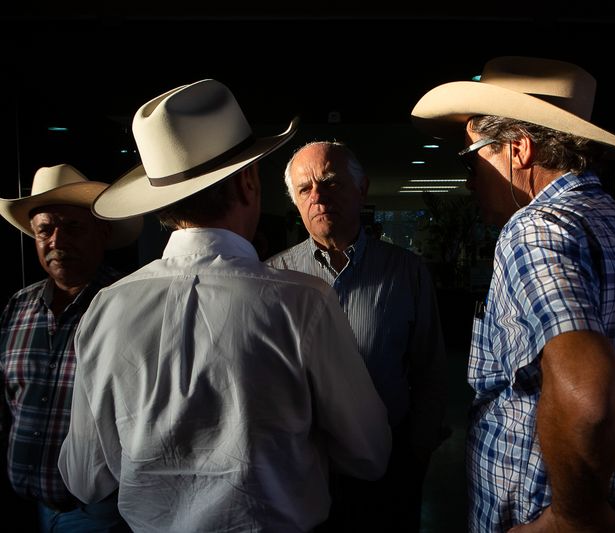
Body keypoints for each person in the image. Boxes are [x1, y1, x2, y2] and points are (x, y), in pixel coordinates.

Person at [411, 56, 615, 532]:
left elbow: (587, 390)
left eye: (471, 156)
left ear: (519, 149)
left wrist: (573, 517)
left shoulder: (534, 230)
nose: (469, 178)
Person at [57, 79, 392, 532]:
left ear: (163, 202)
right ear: (248, 182)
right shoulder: (303, 303)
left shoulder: (105, 310)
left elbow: (83, 477)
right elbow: (370, 455)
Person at [267, 140, 447, 533]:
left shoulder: (407, 271)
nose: (317, 197)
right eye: (305, 189)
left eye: (330, 183)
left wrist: (417, 454)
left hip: (390, 470)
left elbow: (431, 371)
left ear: (362, 188)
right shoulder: (273, 277)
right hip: (303, 472)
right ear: (295, 202)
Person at [0, 163, 142, 532]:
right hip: (30, 507)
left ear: (103, 232)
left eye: (74, 227)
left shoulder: (130, 304)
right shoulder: (19, 306)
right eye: (45, 230)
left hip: (102, 513)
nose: (57, 241)